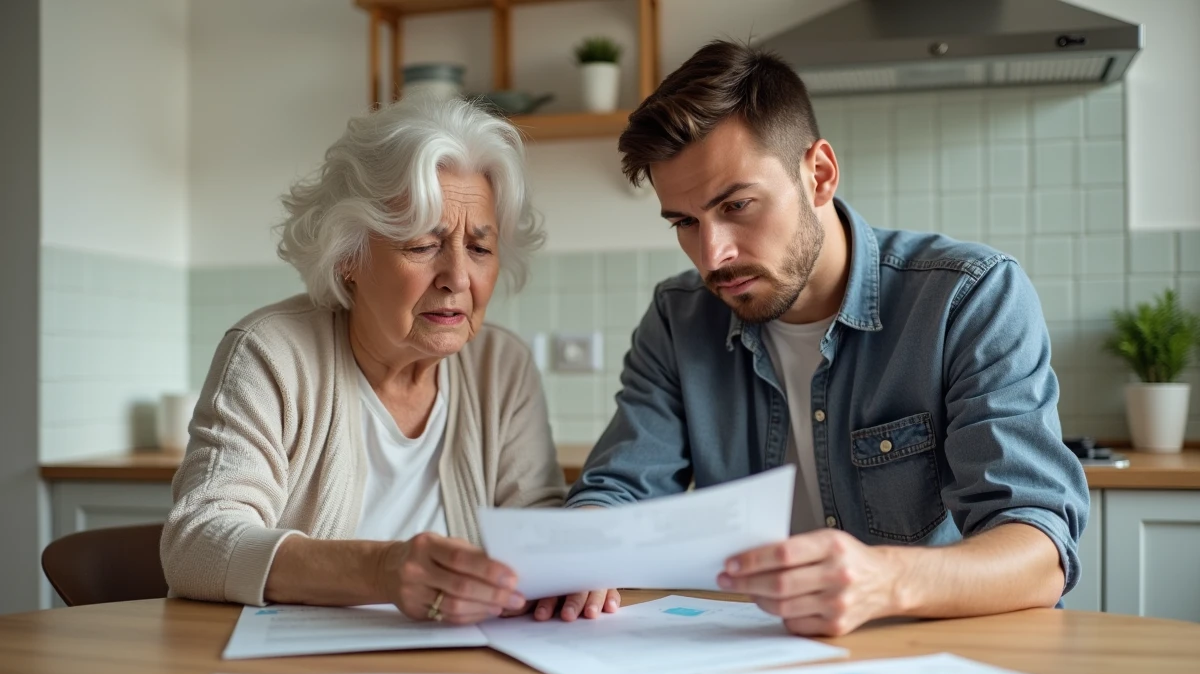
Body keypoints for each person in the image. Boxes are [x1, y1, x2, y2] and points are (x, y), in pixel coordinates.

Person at [568, 40, 1088, 636]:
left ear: (818, 174)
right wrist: (581, 548)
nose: (714, 255)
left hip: (931, 658)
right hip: (751, 660)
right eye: (685, 222)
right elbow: (618, 491)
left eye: (737, 205)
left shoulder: (967, 297)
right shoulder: (678, 318)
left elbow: (1039, 553)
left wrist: (884, 580)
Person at [162, 98, 619, 624]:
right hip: (298, 673)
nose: (458, 277)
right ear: (348, 255)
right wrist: (383, 569)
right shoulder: (270, 353)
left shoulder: (502, 366)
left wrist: (575, 559)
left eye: (479, 248)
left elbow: (534, 521)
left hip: (462, 668)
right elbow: (197, 543)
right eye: (424, 244)